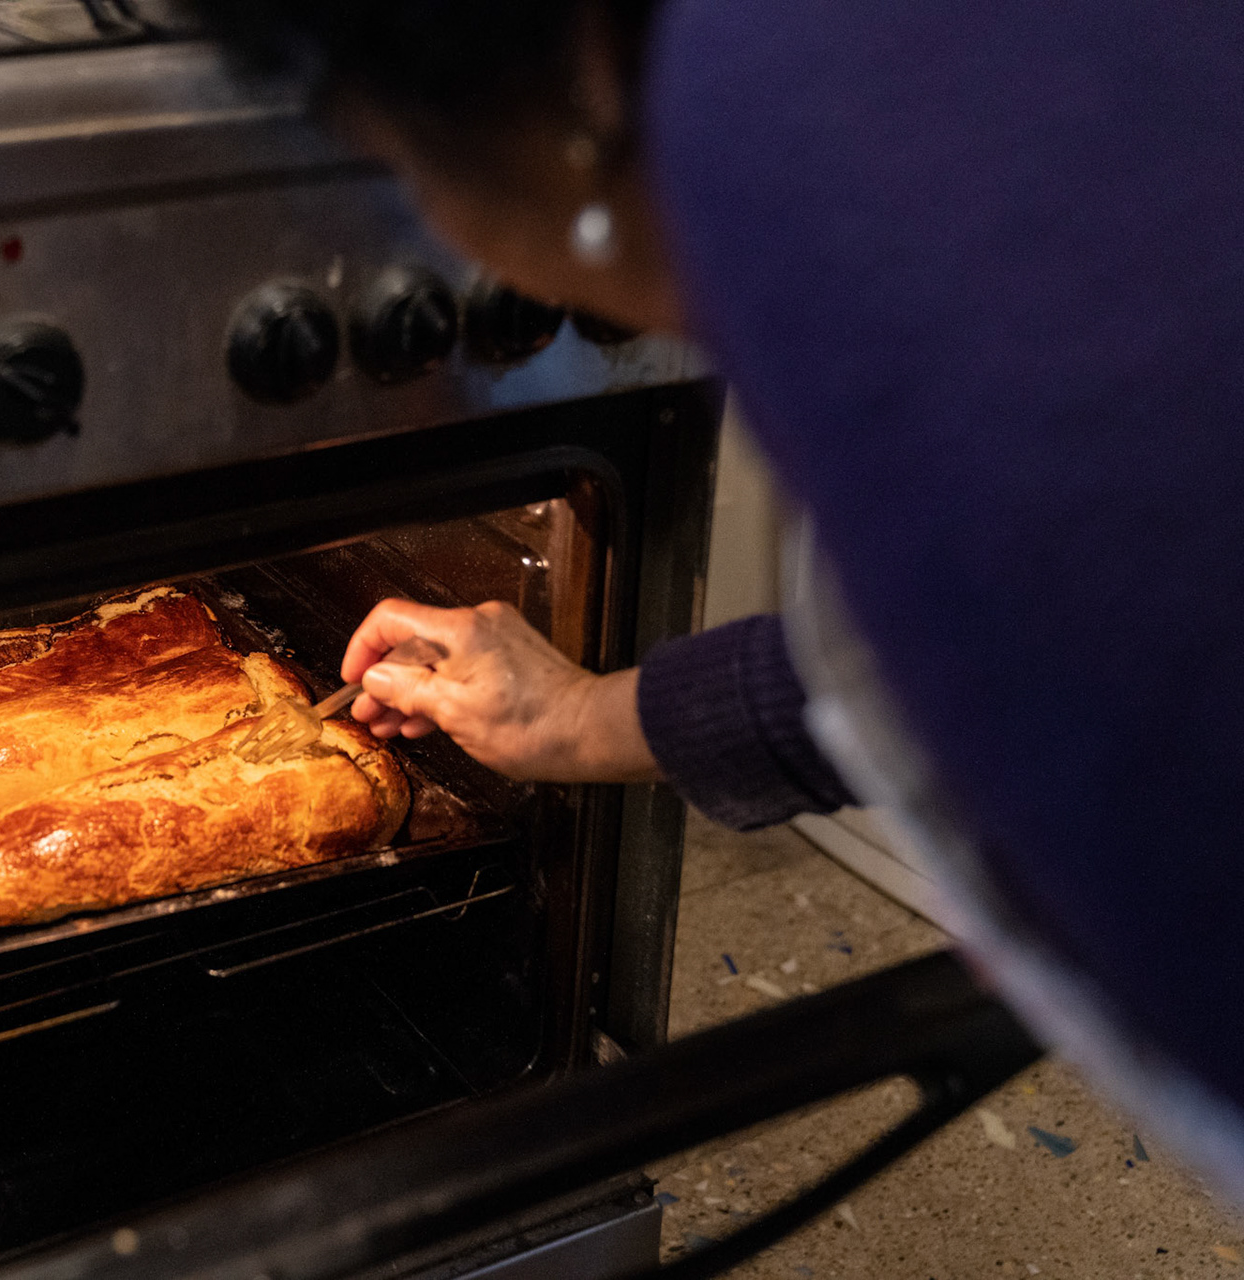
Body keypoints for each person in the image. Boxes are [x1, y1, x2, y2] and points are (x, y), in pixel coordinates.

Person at [190, 0, 1244, 1204]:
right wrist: (576, 717)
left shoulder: (804, 164)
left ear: (571, 78)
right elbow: (966, 640)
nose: (432, 231)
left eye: (397, 167)